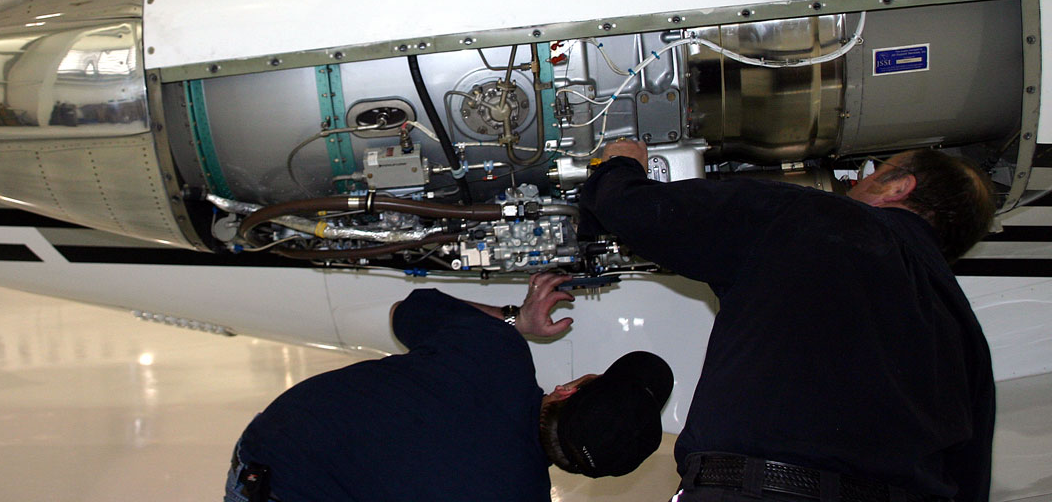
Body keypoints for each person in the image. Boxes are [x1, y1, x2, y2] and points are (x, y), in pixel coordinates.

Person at [578, 140, 996, 502]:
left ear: (899, 187)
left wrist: (619, 164)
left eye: (873, 173)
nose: (855, 184)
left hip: (765, 488)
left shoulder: (817, 215)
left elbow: (643, 213)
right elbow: (970, 481)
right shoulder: (967, 335)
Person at [224, 271, 674, 502]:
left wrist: (516, 319)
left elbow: (407, 311)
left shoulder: (497, 353)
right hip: (287, 471)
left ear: (569, 390)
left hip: (275, 462)